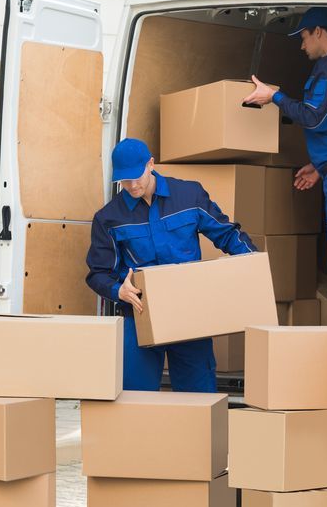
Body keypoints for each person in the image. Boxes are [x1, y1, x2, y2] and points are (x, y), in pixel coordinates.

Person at [242, 6, 327, 321]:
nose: (302, 46)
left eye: (304, 37)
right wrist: (320, 166)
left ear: (319, 32)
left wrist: (274, 97)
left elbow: (314, 117)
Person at [85, 138, 256, 392]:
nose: (131, 186)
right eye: (124, 180)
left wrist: (252, 262)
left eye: (136, 177)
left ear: (150, 164)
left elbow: (227, 234)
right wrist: (117, 290)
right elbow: (98, 273)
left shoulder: (190, 195)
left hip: (189, 313)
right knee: (134, 396)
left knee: (198, 396)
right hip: (140, 313)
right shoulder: (109, 218)